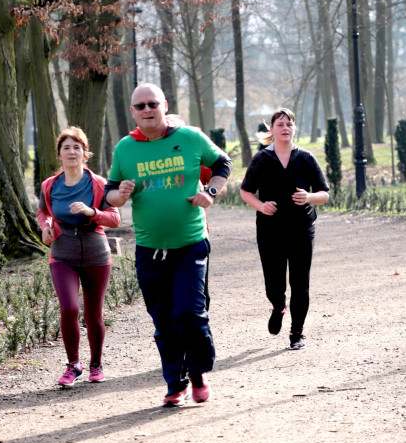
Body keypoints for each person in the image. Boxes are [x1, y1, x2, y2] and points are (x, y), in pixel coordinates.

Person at [105, 82, 232, 406]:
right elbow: (111, 190)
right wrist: (118, 196)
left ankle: (198, 373)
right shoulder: (124, 149)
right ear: (133, 113)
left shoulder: (189, 138)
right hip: (149, 250)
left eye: (152, 104)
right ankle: (175, 383)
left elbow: (222, 164)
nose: (147, 110)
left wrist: (211, 193)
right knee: (164, 322)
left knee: (189, 313)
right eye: (141, 106)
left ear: (164, 105)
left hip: (189, 244)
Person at [37, 126, 121, 387]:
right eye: (66, 148)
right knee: (69, 308)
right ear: (59, 155)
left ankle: (96, 364)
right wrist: (45, 226)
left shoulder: (99, 183)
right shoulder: (49, 185)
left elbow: (115, 219)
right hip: (62, 252)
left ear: (85, 154)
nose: (72, 152)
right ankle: (73, 365)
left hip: (95, 251)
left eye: (77, 147)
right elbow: (43, 212)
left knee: (93, 313)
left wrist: (91, 211)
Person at [240, 107, 329, 349]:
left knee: (300, 283)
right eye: (279, 124)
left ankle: (297, 332)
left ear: (294, 128)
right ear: (271, 129)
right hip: (270, 230)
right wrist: (260, 205)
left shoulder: (306, 158)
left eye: (289, 124)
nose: (285, 128)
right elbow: (245, 191)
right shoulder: (261, 160)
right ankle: (278, 305)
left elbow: (325, 193)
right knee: (274, 283)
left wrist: (310, 197)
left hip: (302, 228)